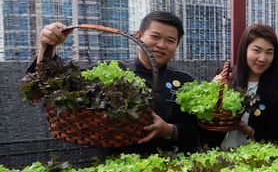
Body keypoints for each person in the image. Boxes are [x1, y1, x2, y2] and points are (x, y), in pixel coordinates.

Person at [34, 11, 200, 152]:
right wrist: (47, 46)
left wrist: (169, 130)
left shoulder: (184, 81)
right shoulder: (111, 71)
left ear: (176, 45)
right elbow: (50, 82)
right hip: (112, 164)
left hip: (169, 163)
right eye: (155, 36)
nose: (161, 45)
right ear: (138, 36)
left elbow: (201, 130)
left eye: (170, 40)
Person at [220, 24, 278, 148]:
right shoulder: (225, 77)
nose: (262, 58)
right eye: (256, 51)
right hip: (219, 154)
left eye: (269, 53)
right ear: (245, 50)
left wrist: (250, 131)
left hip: (257, 157)